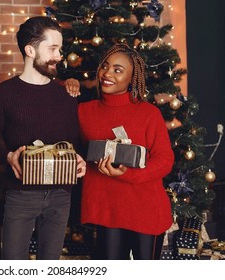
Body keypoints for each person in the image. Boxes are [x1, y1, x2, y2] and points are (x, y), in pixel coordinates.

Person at [0, 16, 86, 260]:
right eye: (53, 48)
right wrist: (7, 156)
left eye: (60, 49)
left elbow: (73, 144)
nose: (60, 56)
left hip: (60, 195)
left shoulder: (66, 95)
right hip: (20, 195)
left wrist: (79, 161)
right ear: (30, 49)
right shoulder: (3, 94)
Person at [78, 43, 174, 260]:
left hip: (146, 210)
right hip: (107, 211)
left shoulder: (149, 113)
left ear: (132, 78)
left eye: (118, 70)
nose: (107, 74)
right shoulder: (84, 111)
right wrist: (67, 84)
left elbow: (165, 160)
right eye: (105, 66)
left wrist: (128, 174)